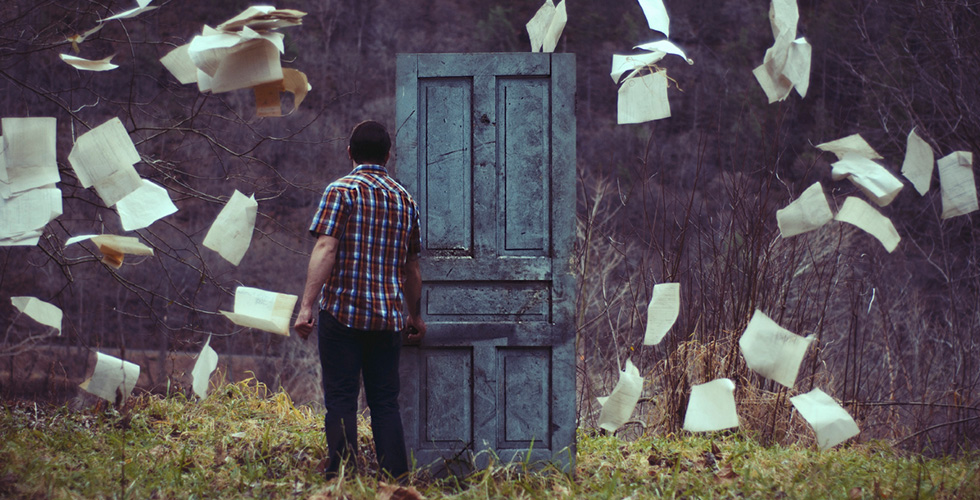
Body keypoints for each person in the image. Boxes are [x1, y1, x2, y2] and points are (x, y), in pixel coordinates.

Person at [294, 120, 425, 480]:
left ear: (349, 152)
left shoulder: (341, 191)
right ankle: (395, 481)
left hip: (343, 316)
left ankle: (342, 478)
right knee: (385, 403)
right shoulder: (405, 200)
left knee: (341, 399)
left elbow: (326, 246)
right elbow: (411, 267)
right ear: (387, 155)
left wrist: (306, 306)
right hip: (387, 320)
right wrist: (414, 316)